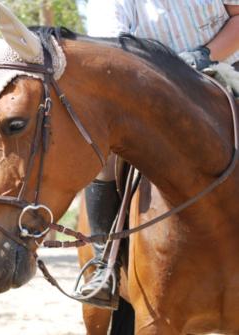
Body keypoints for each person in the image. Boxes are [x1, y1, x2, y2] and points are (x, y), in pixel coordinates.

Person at [81, 0, 239, 309]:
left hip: (226, 77)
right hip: (156, 95)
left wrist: (204, 54)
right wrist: (168, 72)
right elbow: (114, 49)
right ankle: (105, 265)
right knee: (107, 153)